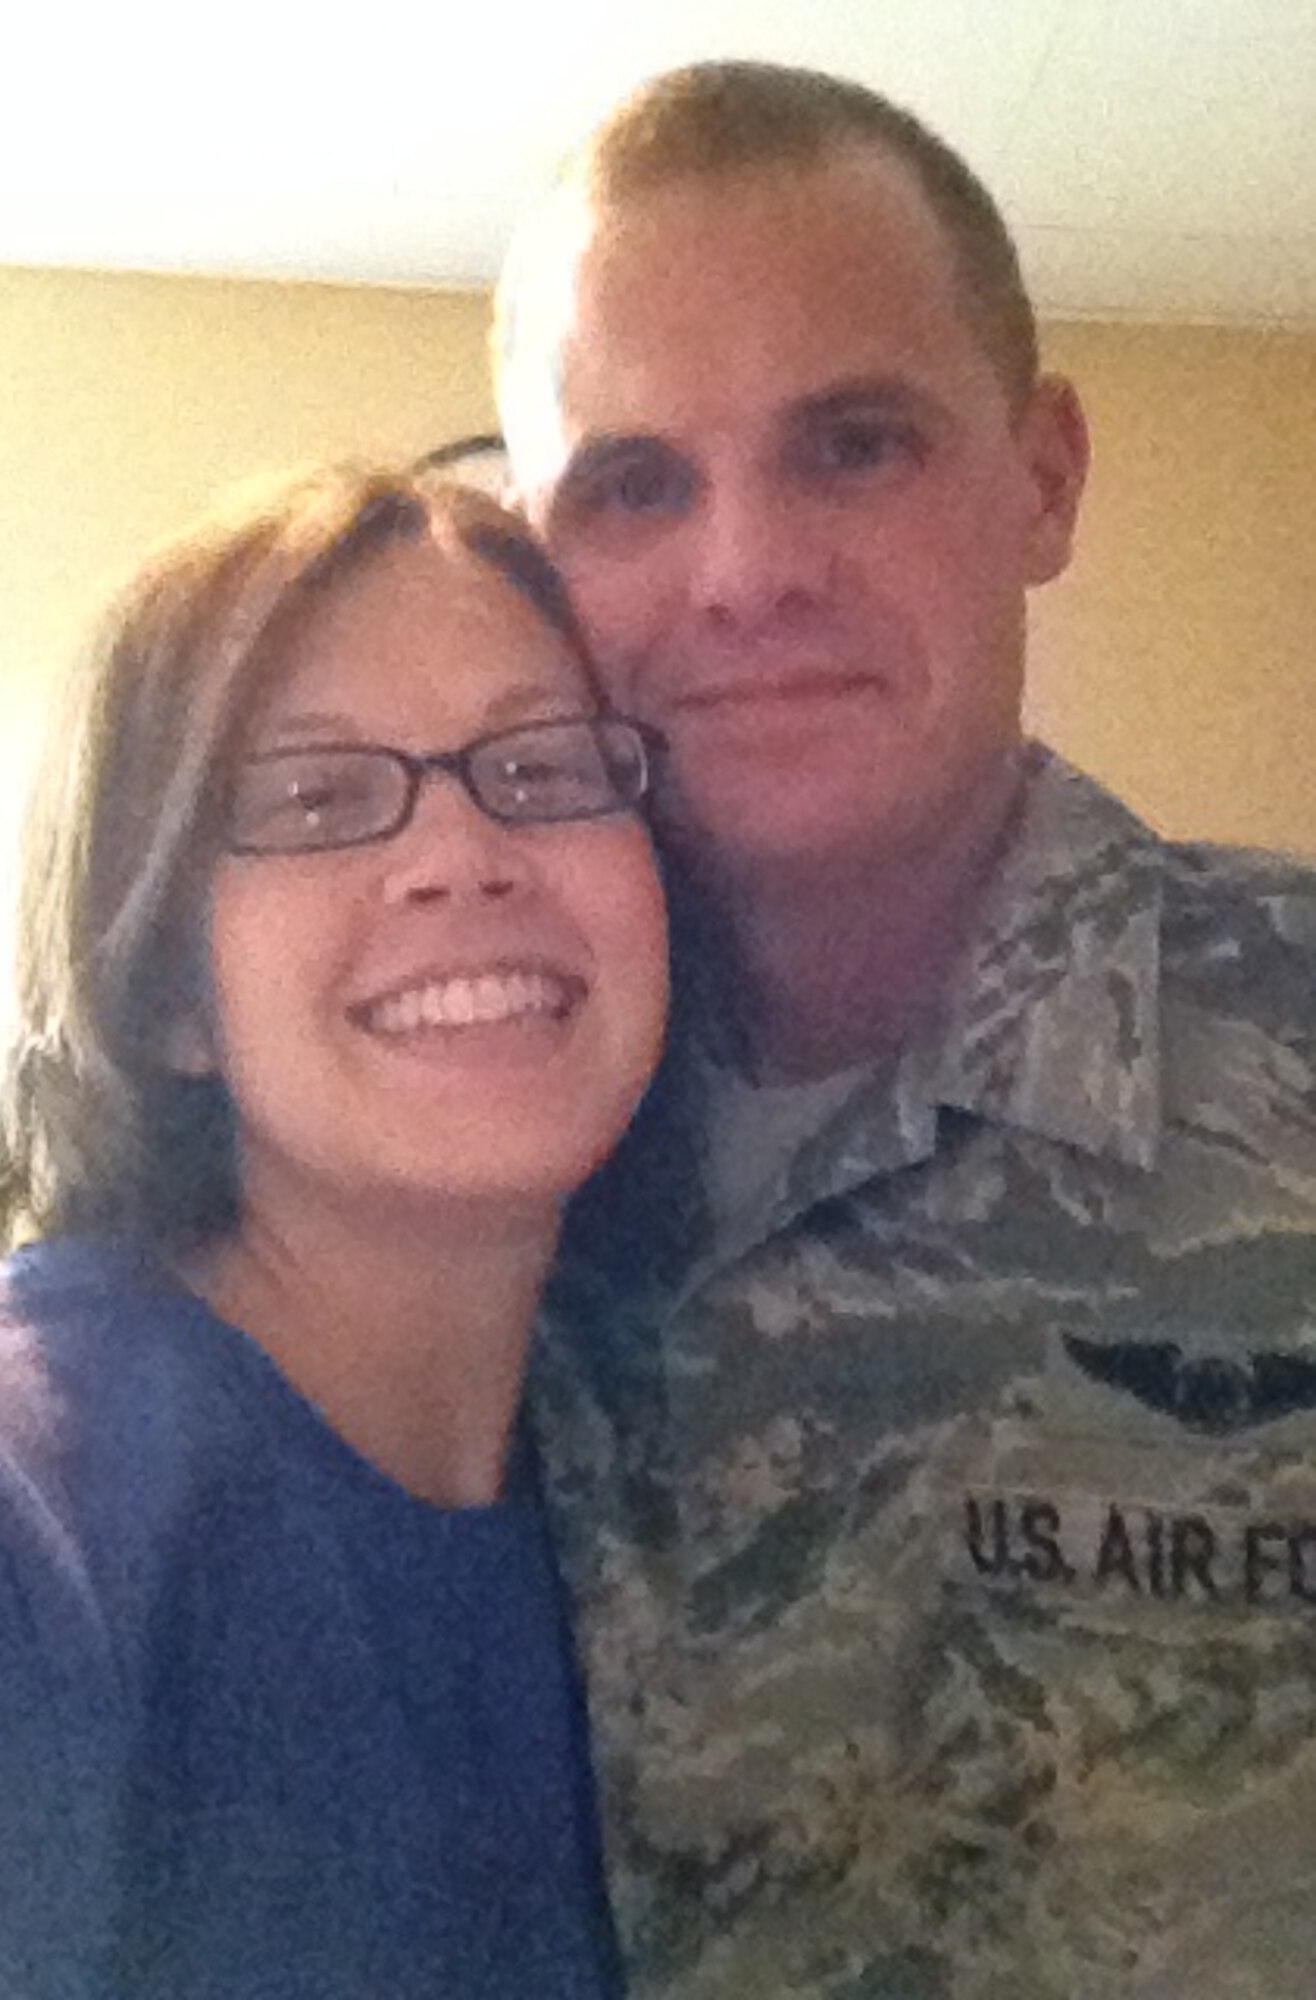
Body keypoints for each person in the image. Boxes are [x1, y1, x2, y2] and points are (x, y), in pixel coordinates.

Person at [493, 59, 1316, 2000]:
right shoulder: (459, 1147)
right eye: (635, 482)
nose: (749, 569)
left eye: (854, 444)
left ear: (1042, 479)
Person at [0, 465, 669, 1999]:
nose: (463, 854)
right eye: (317, 798)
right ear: (158, 990)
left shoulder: (687, 1493)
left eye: (541, 770)